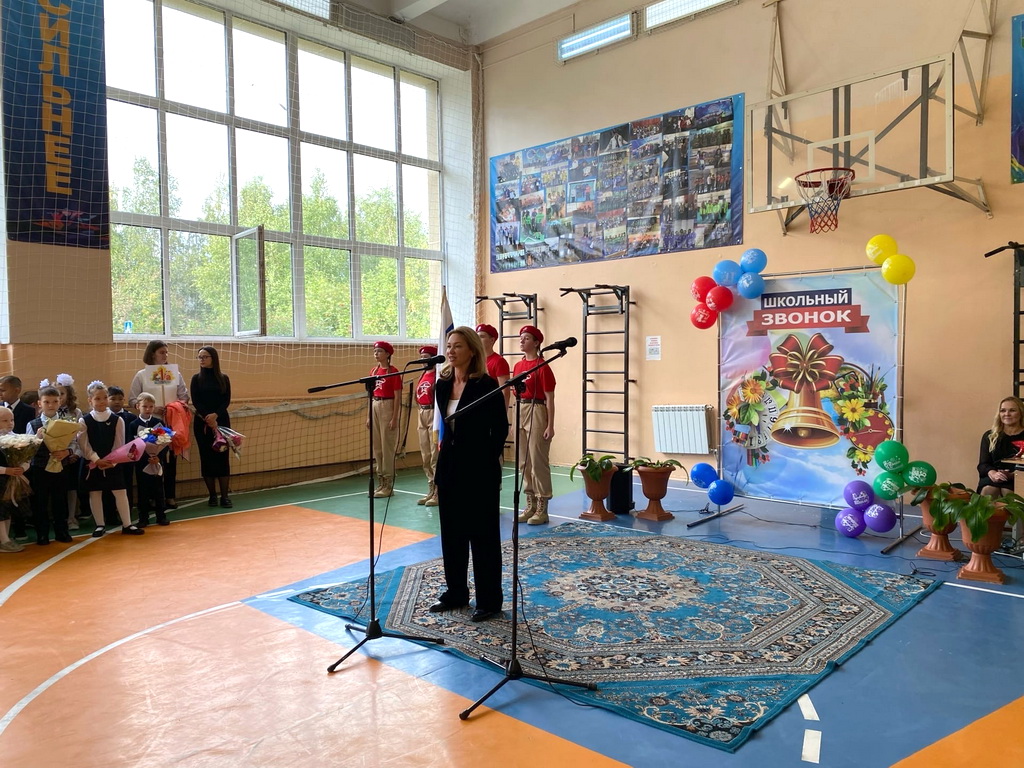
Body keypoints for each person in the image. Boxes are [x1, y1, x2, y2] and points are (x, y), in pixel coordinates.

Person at [430, 326, 508, 622]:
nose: (450, 351)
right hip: (449, 468)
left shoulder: (486, 385)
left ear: (472, 350)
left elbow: (499, 428)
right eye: (449, 345)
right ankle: (456, 592)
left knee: (483, 537)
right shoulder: (442, 384)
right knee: (452, 535)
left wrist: (484, 460)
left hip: (479, 471)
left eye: (458, 346)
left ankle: (489, 601)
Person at [77, 381, 144, 537]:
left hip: (112, 463)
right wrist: (96, 460)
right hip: (93, 463)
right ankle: (100, 525)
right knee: (95, 493)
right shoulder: (84, 421)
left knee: (120, 492)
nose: (102, 401)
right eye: (97, 398)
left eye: (104, 398)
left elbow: (119, 443)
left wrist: (112, 461)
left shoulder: (117, 420)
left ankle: (127, 524)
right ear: (90, 400)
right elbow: (84, 444)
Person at [129, 340, 189, 509]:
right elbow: (132, 399)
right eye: (162, 352)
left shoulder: (175, 374)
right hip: (150, 424)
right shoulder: (142, 375)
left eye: (166, 352)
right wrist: (152, 408)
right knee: (150, 460)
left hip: (170, 422)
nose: (165, 355)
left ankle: (169, 496)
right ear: (152, 354)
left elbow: (184, 396)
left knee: (170, 460)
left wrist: (174, 408)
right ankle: (150, 497)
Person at [512, 325, 556, 525]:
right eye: (521, 337)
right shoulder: (518, 366)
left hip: (537, 409)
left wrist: (550, 425)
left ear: (537, 343)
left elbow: (550, 398)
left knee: (538, 460)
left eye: (527, 338)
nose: (522, 341)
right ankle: (530, 504)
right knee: (524, 461)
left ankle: (542, 507)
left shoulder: (543, 367)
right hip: (520, 408)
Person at [26, 386, 74, 545]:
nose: (51, 405)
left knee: (60, 500)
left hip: (61, 466)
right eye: (47, 402)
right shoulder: (33, 424)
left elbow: (74, 443)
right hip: (40, 468)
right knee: (40, 502)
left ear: (60, 402)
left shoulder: (67, 423)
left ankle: (61, 531)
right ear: (39, 403)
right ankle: (42, 534)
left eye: (55, 401)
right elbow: (28, 449)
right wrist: (37, 438)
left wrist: (67, 452)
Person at [190, 346, 233, 508]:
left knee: (222, 458)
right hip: (202, 423)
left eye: (205, 356)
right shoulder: (196, 379)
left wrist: (216, 415)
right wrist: (208, 417)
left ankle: (225, 496)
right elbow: (196, 401)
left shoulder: (223, 378)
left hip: (221, 421)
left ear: (213, 358)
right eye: (199, 357)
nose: (201, 359)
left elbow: (226, 400)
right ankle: (212, 496)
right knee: (207, 458)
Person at [128, 392, 169, 526]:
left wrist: (158, 457)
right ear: (138, 406)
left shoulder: (158, 422)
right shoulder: (133, 425)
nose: (148, 409)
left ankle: (161, 516)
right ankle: (143, 518)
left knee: (159, 489)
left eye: (151, 406)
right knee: (143, 490)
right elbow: (131, 445)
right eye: (145, 406)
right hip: (141, 463)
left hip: (156, 462)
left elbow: (165, 441)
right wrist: (142, 457)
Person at [367, 340, 401, 499]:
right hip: (375, 404)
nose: (376, 354)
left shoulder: (393, 372)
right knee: (377, 446)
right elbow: (370, 395)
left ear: (388, 354)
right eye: (375, 351)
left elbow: (397, 396)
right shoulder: (373, 371)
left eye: (380, 351)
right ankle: (380, 479)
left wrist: (395, 417)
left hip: (387, 405)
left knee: (387, 446)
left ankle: (388, 483)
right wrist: (369, 415)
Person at [978, 396, 1024, 498]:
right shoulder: (990, 436)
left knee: (1007, 491)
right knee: (989, 489)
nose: (1007, 414)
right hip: (993, 477)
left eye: (1012, 410)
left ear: (1021, 413)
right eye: (1003, 411)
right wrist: (993, 473)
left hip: (1019, 477)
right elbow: (983, 465)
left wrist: (1012, 475)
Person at [413, 345, 439, 507]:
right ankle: (430, 487)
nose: (423, 360)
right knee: (425, 454)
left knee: (435, 454)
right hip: (422, 413)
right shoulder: (423, 374)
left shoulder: (438, 376)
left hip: (433, 414)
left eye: (426, 358)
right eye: (421, 358)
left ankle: (438, 490)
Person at [0, 406, 28, 552]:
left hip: (11, 479)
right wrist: (6, 470)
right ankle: (3, 540)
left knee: (9, 508)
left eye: (12, 420)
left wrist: (22, 468)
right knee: (1, 509)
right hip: (1, 478)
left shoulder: (17, 439)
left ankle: (6, 538)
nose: (10, 423)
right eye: (5, 420)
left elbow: (27, 458)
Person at [476, 324, 511, 409]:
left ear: (492, 340)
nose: (478, 339)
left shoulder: (499, 361)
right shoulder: (474, 360)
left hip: (491, 406)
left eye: (482, 336)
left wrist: (503, 412)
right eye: (477, 336)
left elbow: (505, 391)